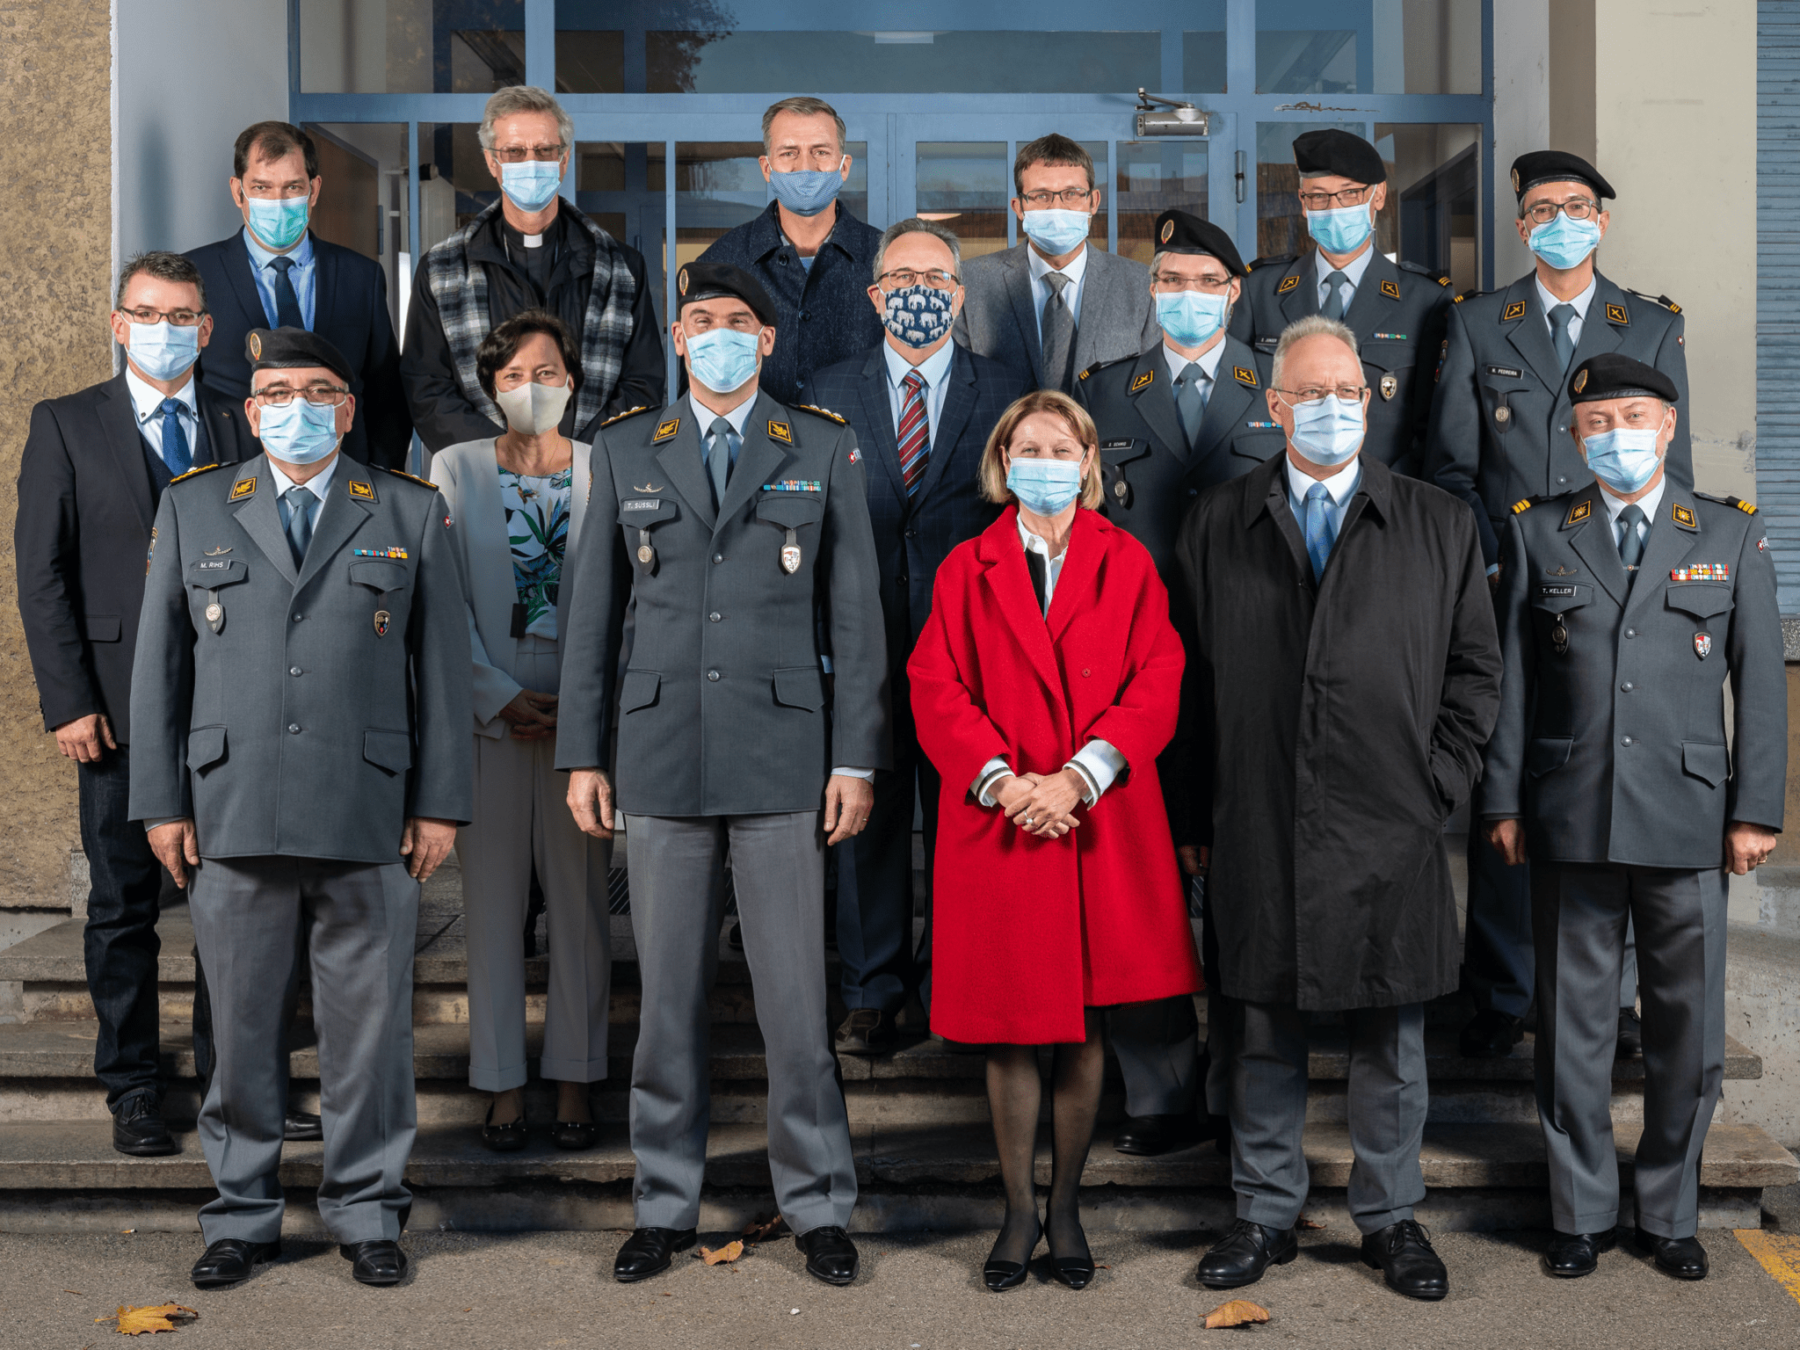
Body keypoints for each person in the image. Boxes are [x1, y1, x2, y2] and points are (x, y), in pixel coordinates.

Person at [558, 263, 887, 1288]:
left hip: (785, 757)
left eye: (738, 322)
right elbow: (591, 618)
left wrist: (854, 757)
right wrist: (583, 752)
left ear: (769, 339)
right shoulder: (622, 450)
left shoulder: (821, 446)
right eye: (702, 322)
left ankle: (818, 1201)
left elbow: (856, 620)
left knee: (795, 1000)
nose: (720, 337)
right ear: (677, 334)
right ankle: (663, 1202)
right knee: (667, 1003)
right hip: (659, 757)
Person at [129, 328, 471, 1291]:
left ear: (349, 407)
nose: (297, 405)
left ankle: (367, 1211)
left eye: (318, 389)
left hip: (369, 809)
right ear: (249, 408)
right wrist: (161, 802)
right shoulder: (195, 507)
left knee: (369, 1036)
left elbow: (439, 671)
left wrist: (439, 803)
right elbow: (158, 669)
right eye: (277, 391)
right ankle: (241, 1213)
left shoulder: (407, 506)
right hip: (230, 804)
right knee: (238, 1032)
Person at [1176, 316, 1501, 1301]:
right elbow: (1183, 687)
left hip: (1389, 824)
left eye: (1347, 392)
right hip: (1258, 819)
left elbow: (1477, 677)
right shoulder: (1216, 522)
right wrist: (1197, 816)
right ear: (1273, 408)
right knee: (1262, 1031)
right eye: (1309, 394)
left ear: (1373, 401)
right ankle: (1264, 1212)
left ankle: (1392, 1218)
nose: (1330, 409)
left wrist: (1431, 788)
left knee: (1390, 1041)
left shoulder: (1439, 525)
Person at [1481, 353, 1785, 1282]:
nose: (1616, 433)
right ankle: (1580, 1214)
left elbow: (1762, 686)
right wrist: (1502, 797)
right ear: (1575, 435)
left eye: (1634, 416)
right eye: (1598, 420)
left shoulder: (1728, 533)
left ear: (1668, 425)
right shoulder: (1540, 532)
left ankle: (1670, 1212)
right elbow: (1512, 679)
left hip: (1691, 819)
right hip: (1570, 813)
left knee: (1686, 1035)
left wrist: (1756, 813)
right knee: (1571, 1026)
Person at [909, 389, 1199, 1292]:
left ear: (1087, 462)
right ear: (1004, 462)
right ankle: (1017, 1211)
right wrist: (1005, 782)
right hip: (1003, 821)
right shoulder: (965, 566)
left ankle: (1067, 1204)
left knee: (1083, 1030)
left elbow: (1159, 675)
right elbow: (934, 686)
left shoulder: (1131, 561)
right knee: (1009, 1030)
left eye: (1061, 445)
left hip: (1094, 815)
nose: (1044, 458)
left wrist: (1079, 776)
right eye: (1026, 445)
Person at [1426, 151, 1689, 1062]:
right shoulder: (1477, 324)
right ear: (1521, 224)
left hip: (1618, 596)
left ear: (1601, 221)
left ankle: (1610, 1000)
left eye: (1574, 207)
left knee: (1611, 786)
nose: (1559, 221)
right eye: (1541, 209)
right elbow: (1453, 469)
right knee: (1508, 778)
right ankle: (1499, 988)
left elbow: (1672, 472)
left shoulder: (1651, 325)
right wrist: (1487, 568)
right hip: (1511, 590)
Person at [14, 252, 257, 1158]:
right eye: (146, 312)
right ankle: (133, 1089)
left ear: (205, 327)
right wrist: (68, 701)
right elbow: (41, 575)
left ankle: (234, 1082)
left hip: (231, 705)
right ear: (120, 323)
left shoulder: (242, 420)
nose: (165, 327)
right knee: (123, 908)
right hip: (113, 711)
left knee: (234, 904)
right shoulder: (68, 424)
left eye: (182, 314)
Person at [1073, 209, 1276, 1159]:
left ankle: (1242, 1086)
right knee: (1142, 883)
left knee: (1245, 875)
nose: (1184, 296)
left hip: (1251, 669)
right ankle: (1156, 1089)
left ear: (1234, 293)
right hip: (1129, 675)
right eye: (1168, 281)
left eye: (1203, 281)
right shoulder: (1104, 395)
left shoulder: (1279, 388)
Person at [801, 218, 1027, 1054]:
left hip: (970, 649)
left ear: (960, 296)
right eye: (902, 278)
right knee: (867, 817)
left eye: (935, 278)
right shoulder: (826, 388)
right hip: (862, 646)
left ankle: (954, 983)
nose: (918, 292)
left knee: (967, 822)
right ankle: (872, 990)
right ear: (875, 294)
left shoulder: (1004, 388)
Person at [431, 311, 612, 1151]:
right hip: (489, 721)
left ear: (573, 382)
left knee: (579, 910)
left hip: (580, 724)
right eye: (511, 376)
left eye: (546, 373)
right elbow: (440, 601)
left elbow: (622, 601)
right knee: (493, 908)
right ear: (489, 387)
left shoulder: (606, 467)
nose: (530, 388)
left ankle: (575, 1079)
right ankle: (500, 1084)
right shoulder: (452, 470)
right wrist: (497, 695)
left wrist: (581, 706)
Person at [402, 86, 665, 453]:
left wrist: (573, 456)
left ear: (564, 159)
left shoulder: (621, 267)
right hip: (482, 480)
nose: (531, 162)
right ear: (492, 162)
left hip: (596, 474)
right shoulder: (441, 269)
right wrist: (504, 458)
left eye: (544, 150)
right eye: (514, 151)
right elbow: (427, 387)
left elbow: (644, 383)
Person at [1227, 128, 1454, 478]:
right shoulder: (1259, 290)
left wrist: (1394, 497)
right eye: (1319, 197)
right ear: (1303, 203)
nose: (1333, 208)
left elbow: (1434, 427)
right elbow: (1236, 406)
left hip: (1384, 500)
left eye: (1349, 194)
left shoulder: (1425, 299)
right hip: (1278, 493)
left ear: (1378, 195)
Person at [188, 122, 413, 470]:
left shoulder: (361, 277)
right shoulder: (195, 276)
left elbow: (387, 400)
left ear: (314, 189)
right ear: (238, 191)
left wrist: (380, 482)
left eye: (292, 187)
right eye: (261, 187)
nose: (277, 202)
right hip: (231, 482)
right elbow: (186, 390)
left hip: (344, 482)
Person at [696, 97, 884, 404]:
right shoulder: (720, 264)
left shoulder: (886, 261)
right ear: (767, 168)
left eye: (820, 152)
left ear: (844, 166)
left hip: (859, 449)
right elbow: (698, 385)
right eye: (789, 153)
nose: (805, 167)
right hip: (755, 450)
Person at [953, 134, 1159, 395]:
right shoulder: (971, 283)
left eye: (1071, 194)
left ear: (1093, 202)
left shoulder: (1141, 285)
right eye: (1041, 196)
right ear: (1018, 207)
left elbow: (1152, 390)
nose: (1057, 208)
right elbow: (959, 387)